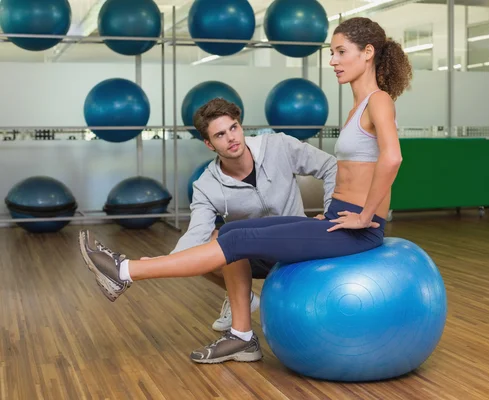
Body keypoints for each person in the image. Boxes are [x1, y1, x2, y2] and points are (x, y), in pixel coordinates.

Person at [78, 16, 412, 365]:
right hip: (338, 218)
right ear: (210, 144)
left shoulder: (379, 100)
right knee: (232, 230)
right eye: (332, 53)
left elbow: (392, 159)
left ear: (368, 52)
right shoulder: (358, 107)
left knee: (237, 241)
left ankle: (125, 272)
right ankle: (242, 338)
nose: (332, 61)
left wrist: (366, 216)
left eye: (341, 52)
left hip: (359, 230)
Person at [170, 97, 338, 332]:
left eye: (233, 128)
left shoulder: (278, 146)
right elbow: (196, 235)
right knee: (209, 244)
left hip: (297, 246)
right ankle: (241, 296)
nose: (231, 138)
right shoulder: (206, 185)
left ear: (240, 126)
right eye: (220, 135)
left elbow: (330, 165)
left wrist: (331, 213)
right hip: (254, 255)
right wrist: (164, 262)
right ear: (209, 144)